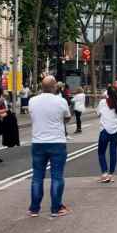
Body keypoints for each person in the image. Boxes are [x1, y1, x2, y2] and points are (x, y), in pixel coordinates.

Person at [27, 76, 72, 217]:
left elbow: (32, 116)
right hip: (57, 142)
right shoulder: (61, 101)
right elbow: (67, 117)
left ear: (42, 87)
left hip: (38, 142)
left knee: (37, 177)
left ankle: (34, 209)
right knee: (57, 176)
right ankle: (56, 208)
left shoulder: (32, 101)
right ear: (54, 87)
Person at [97, 87, 117, 183]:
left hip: (104, 130)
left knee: (101, 152)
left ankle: (104, 173)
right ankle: (111, 174)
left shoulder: (102, 103)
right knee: (113, 152)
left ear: (107, 94)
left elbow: (98, 114)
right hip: (116, 130)